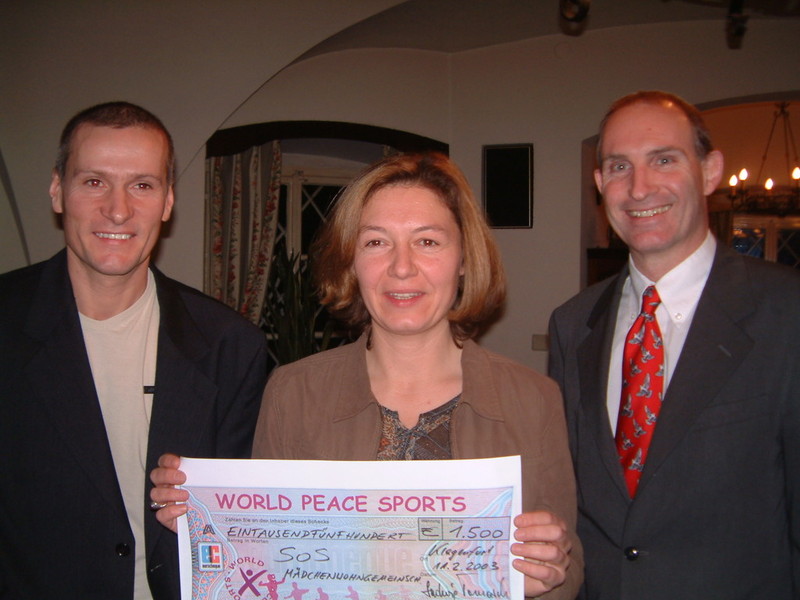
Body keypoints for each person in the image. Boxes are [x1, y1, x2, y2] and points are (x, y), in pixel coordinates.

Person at [152, 152, 583, 599]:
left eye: (428, 241)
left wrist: (547, 576)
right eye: (376, 242)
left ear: (463, 259)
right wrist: (206, 517)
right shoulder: (293, 392)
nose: (402, 267)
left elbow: (570, 568)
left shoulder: (534, 398)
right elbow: (267, 561)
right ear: (351, 262)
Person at [0, 102, 268, 599]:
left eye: (142, 185)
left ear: (168, 201)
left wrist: (210, 511)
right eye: (94, 182)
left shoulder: (231, 345)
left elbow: (244, 526)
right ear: (58, 190)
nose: (118, 210)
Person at [548, 90, 800, 599]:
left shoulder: (786, 311)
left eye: (664, 160)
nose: (640, 188)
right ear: (600, 184)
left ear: (709, 172)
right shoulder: (572, 324)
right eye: (619, 167)